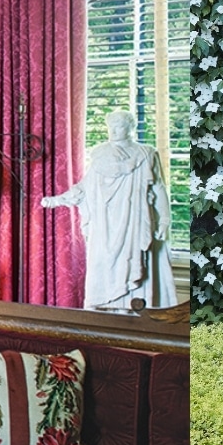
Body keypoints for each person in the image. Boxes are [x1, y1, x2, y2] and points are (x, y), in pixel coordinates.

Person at [42, 111, 178, 309]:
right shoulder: (100, 155)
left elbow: (158, 189)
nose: (114, 131)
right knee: (101, 270)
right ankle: (105, 319)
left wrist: (164, 220)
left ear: (130, 128)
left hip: (134, 221)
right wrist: (58, 200)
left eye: (120, 126)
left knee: (136, 268)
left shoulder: (146, 154)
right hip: (104, 226)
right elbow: (84, 188)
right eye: (111, 126)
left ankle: (135, 321)